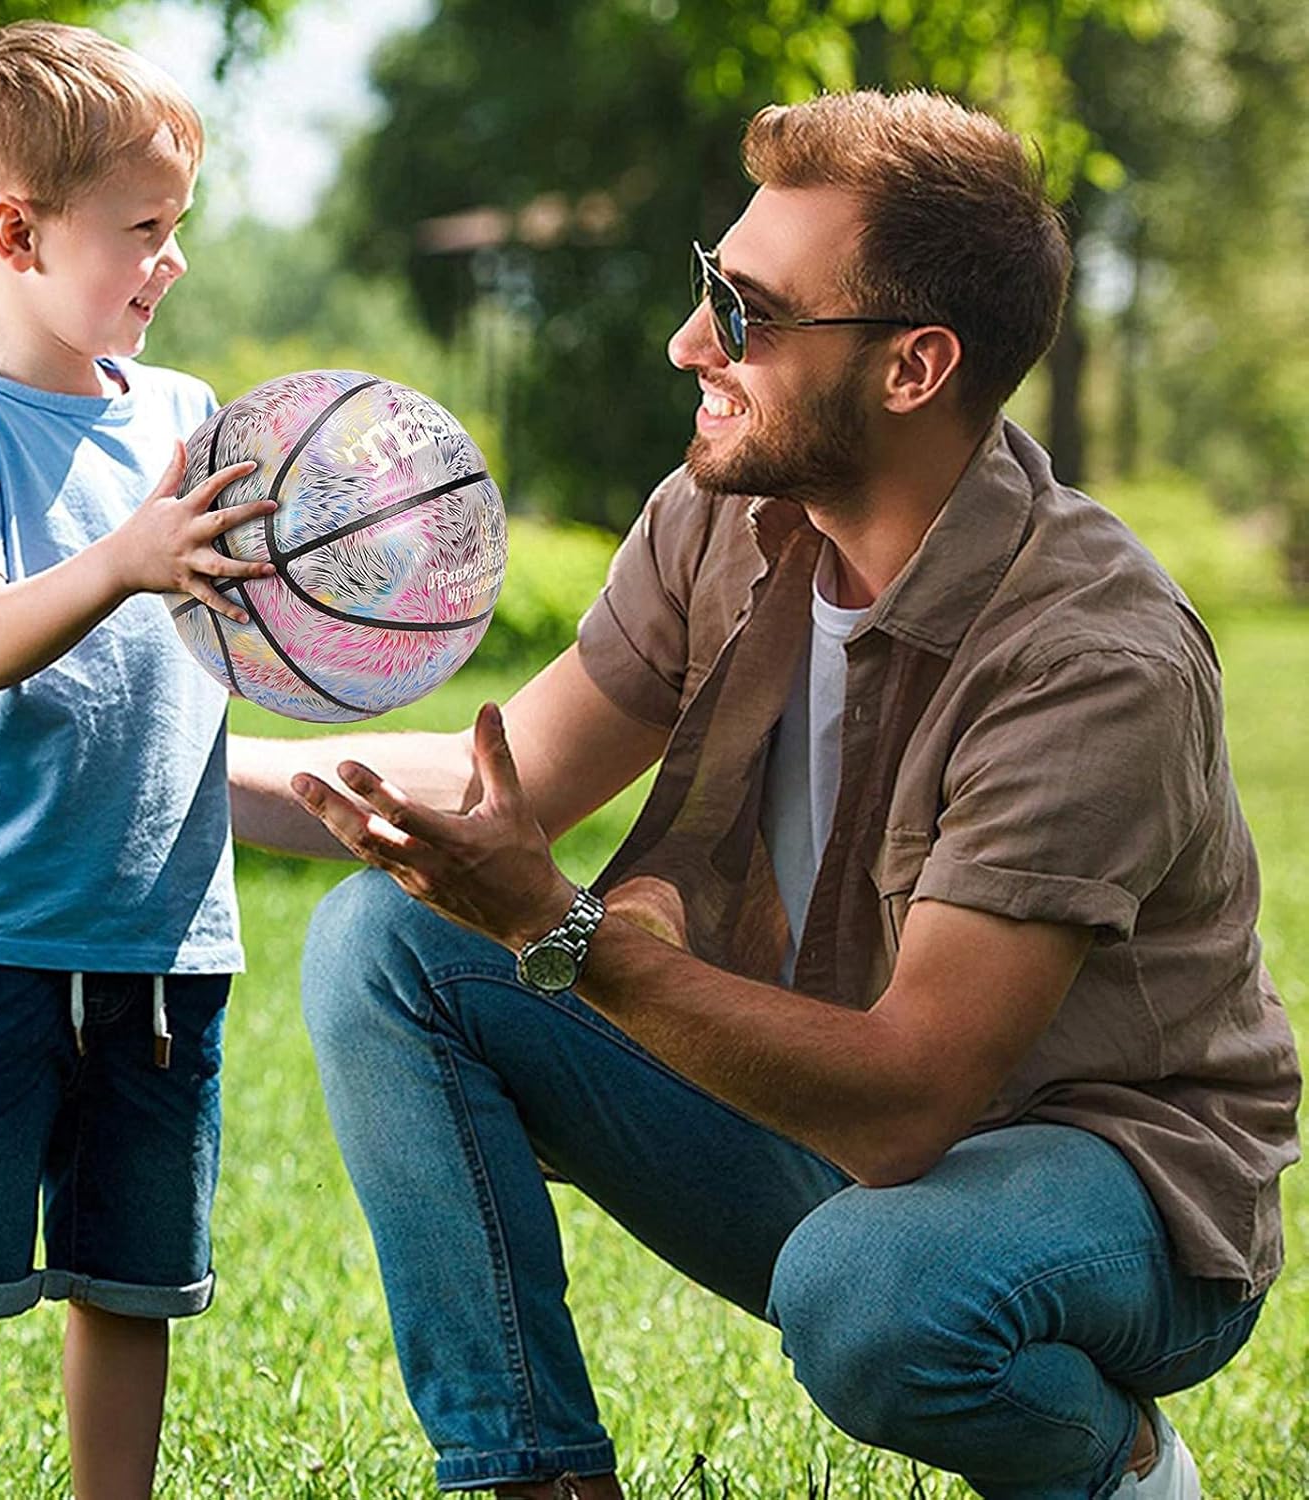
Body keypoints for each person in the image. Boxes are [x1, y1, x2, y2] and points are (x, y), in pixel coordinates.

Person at [230, 90, 1301, 1499]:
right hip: (830, 1128)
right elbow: (504, 783)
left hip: (1108, 1192)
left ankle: (1122, 1470)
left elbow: (911, 1102)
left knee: (873, 1297)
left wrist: (565, 932)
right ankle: (533, 1479)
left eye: (747, 313)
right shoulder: (727, 521)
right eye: (706, 289)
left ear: (915, 367)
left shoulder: (1088, 659)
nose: (690, 344)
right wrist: (157, 767)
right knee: (385, 948)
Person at [0, 22, 276, 1500]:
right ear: (17, 233)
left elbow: (222, 662)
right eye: (145, 230)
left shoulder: (180, 418)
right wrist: (127, 559)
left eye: (181, 228)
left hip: (161, 945)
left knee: (132, 1280)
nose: (170, 262)